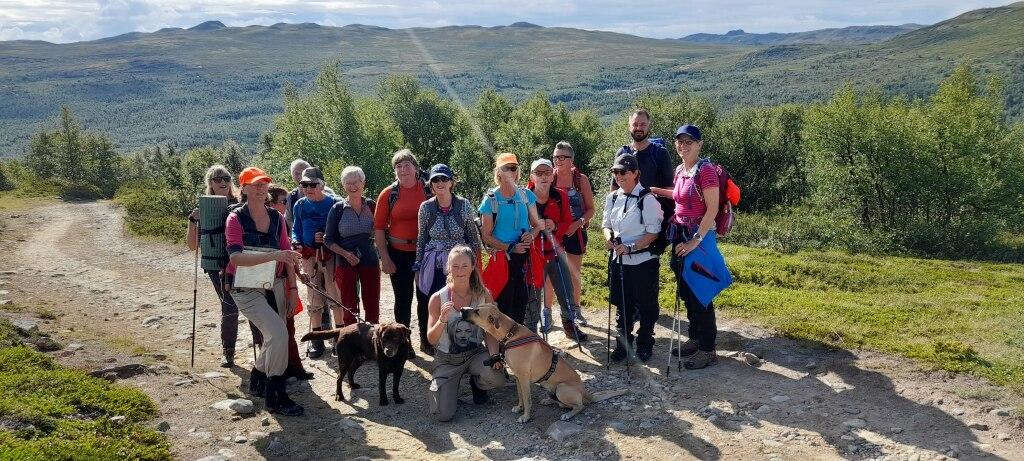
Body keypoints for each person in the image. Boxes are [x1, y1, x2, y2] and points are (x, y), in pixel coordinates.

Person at [224, 167, 304, 416]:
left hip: (276, 285)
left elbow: (288, 256)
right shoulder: (235, 219)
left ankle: (258, 377)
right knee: (278, 334)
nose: (260, 188)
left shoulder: (277, 218)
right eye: (255, 184)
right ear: (243, 188)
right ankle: (275, 396)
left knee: (274, 336)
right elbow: (235, 258)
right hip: (244, 287)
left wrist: (292, 289)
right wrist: (274, 255)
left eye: (264, 184)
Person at [649, 125, 720, 369]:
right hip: (680, 236)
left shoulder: (706, 171)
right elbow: (680, 197)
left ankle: (708, 349)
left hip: (698, 239)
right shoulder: (681, 170)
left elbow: (713, 208)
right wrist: (656, 191)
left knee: (701, 292)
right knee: (687, 292)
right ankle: (695, 338)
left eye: (690, 141)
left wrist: (695, 240)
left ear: (699, 144)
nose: (684, 145)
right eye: (680, 141)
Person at [185, 165, 259, 368]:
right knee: (229, 305)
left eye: (225, 177)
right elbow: (192, 246)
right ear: (209, 183)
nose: (222, 181)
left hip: (241, 260)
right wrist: (192, 221)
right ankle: (228, 351)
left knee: (254, 303)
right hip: (216, 263)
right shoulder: (204, 209)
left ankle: (262, 348)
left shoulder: (241, 204)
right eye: (217, 178)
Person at [426, 245, 505, 422]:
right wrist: (442, 320)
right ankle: (449, 388)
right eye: (455, 266)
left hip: (474, 354)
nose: (459, 270)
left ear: (472, 267)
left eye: (464, 266)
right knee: (442, 415)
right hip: (447, 359)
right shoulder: (438, 298)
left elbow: (490, 330)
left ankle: (477, 384)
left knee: (497, 378)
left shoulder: (483, 295)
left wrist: (494, 356)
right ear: (448, 268)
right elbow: (431, 339)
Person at [602, 153, 663, 363]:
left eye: (624, 172)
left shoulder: (648, 200)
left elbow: (654, 232)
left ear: (636, 173)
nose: (619, 176)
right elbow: (606, 225)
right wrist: (610, 239)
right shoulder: (613, 197)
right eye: (616, 172)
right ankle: (623, 345)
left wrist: (631, 247)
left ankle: (645, 343)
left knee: (647, 305)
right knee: (622, 304)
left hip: (643, 262)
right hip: (619, 261)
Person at [374, 150, 432, 354]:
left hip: (425, 253)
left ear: (416, 168)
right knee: (403, 299)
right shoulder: (388, 194)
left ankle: (427, 340)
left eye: (406, 164)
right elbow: (379, 228)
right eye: (398, 166)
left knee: (426, 298)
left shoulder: (428, 190)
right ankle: (404, 345)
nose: (402, 169)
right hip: (398, 253)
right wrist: (385, 258)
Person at [479, 153, 543, 327]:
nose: (510, 172)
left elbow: (538, 225)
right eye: (505, 168)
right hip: (502, 259)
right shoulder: (490, 200)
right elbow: (486, 235)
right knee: (503, 305)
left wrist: (531, 234)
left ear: (517, 172)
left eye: (513, 168)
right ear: (498, 172)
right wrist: (510, 247)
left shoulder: (526, 195)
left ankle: (516, 345)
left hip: (523, 259)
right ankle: (502, 347)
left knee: (521, 303)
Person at [526, 158, 587, 342]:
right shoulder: (523, 197)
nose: (543, 177)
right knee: (533, 295)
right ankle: (531, 331)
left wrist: (554, 226)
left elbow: (568, 223)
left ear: (552, 176)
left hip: (555, 251)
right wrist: (534, 228)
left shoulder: (561, 195)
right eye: (539, 173)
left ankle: (569, 326)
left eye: (546, 173)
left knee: (565, 290)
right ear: (532, 177)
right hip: (533, 254)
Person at [413, 163, 482, 325]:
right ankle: (430, 340)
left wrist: (476, 264)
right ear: (431, 185)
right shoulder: (426, 207)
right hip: (434, 263)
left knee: (461, 301)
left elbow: (473, 236)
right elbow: (422, 237)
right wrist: (418, 264)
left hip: (460, 262)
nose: (440, 182)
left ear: (451, 182)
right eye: (435, 179)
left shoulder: (463, 205)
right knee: (432, 300)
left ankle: (461, 340)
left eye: (444, 178)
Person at [324, 166, 381, 326]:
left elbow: (381, 230)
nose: (353, 186)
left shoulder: (371, 205)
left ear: (363, 183)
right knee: (349, 306)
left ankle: (372, 340)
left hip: (369, 258)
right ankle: (351, 340)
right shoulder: (337, 209)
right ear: (343, 185)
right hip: (345, 261)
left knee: (372, 303)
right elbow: (328, 240)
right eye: (348, 183)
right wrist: (346, 254)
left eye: (356, 182)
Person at [268, 185, 314, 380]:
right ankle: (279, 370)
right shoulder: (267, 224)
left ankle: (293, 366)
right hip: (270, 282)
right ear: (271, 203)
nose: (287, 205)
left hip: (285, 281)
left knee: (289, 324)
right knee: (276, 327)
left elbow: (287, 254)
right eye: (283, 201)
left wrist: (297, 273)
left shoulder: (281, 223)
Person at [291, 167, 337, 358]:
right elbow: (296, 228)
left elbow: (340, 229)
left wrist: (327, 237)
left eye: (312, 184)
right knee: (313, 296)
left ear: (322, 185)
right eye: (304, 184)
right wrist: (296, 242)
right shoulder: (299, 205)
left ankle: (338, 338)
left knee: (335, 295)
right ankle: (317, 340)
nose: (307, 188)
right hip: (309, 255)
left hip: (331, 255)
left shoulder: (334, 203)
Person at [551, 141, 594, 328]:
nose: (558, 160)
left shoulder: (580, 180)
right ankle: (548, 312)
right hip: (554, 234)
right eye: (555, 157)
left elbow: (591, 209)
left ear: (571, 160)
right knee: (551, 274)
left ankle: (576, 311)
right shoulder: (549, 178)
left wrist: (578, 223)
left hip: (576, 233)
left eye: (563, 157)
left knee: (574, 274)